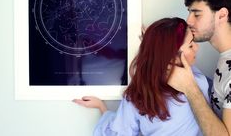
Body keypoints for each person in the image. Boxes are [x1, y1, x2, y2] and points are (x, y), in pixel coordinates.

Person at [74, 17, 209, 136]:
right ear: (171, 57)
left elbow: (121, 131)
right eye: (191, 45)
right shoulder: (199, 82)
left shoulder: (139, 94)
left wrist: (103, 110)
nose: (197, 48)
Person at [168, 0, 231, 136]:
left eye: (196, 14)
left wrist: (190, 88)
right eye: (189, 12)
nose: (188, 21)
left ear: (222, 15)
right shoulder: (225, 59)